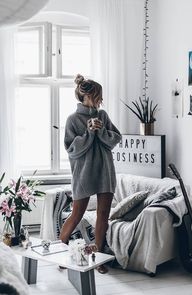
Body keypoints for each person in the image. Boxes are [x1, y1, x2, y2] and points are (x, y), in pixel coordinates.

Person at [59, 74, 121, 274]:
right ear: (87, 96)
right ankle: (60, 254)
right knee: (76, 214)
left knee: (103, 215)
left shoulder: (102, 116)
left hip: (105, 172)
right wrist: (88, 133)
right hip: (83, 174)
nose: (101, 100)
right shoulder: (73, 119)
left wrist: (101, 131)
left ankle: (99, 259)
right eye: (98, 96)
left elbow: (115, 139)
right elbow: (71, 149)